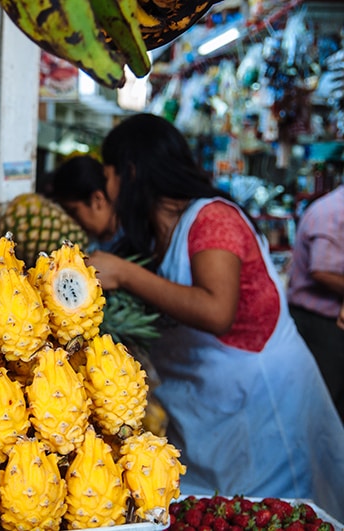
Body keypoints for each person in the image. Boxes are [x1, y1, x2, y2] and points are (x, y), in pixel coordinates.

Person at [85, 113, 344, 520]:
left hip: (261, 405)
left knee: (274, 515)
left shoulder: (213, 218)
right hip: (214, 409)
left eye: (110, 175)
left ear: (132, 171)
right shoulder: (158, 235)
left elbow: (216, 310)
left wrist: (126, 275)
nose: (108, 189)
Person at [287, 183, 344, 419]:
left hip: (330, 320)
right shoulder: (333, 212)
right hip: (318, 324)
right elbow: (322, 271)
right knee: (325, 403)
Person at [41, 154, 124, 253]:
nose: (72, 222)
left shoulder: (135, 244)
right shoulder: (92, 245)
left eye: (73, 212)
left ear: (97, 200)